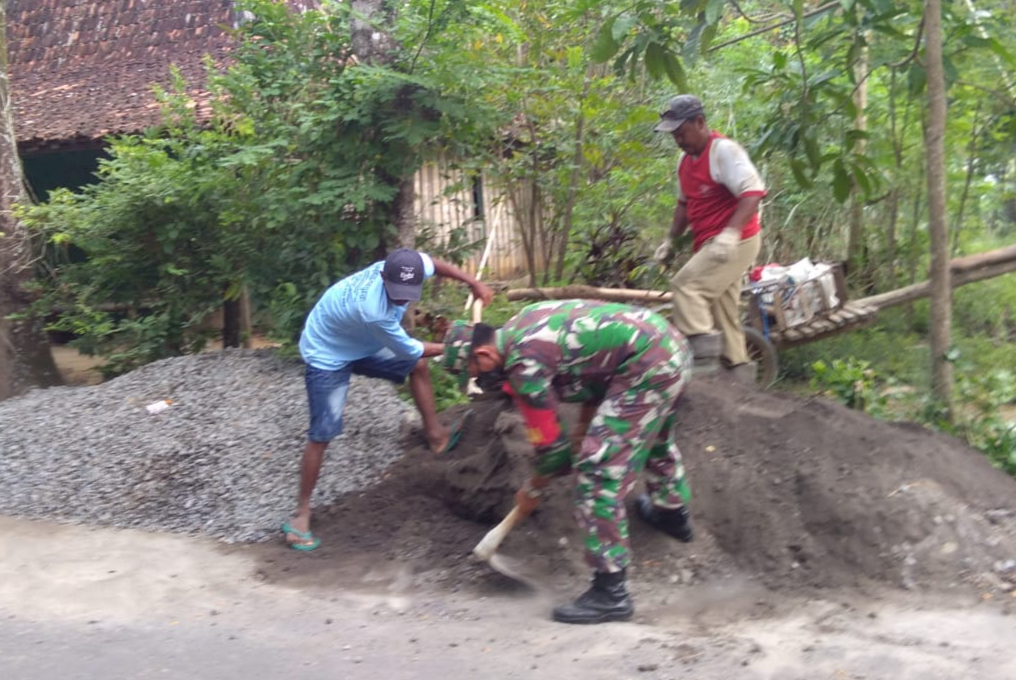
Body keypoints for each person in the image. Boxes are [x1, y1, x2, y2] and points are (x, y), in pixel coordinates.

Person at [442, 300, 694, 624]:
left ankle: (610, 594)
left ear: (484, 355)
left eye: (475, 375)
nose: (480, 383)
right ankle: (671, 513)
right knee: (653, 436)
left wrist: (532, 488)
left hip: (647, 365)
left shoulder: (523, 367)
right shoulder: (523, 323)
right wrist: (582, 428)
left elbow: (556, 457)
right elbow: (596, 373)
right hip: (669, 345)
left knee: (597, 473)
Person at [283, 248, 494, 551]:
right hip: (327, 352)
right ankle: (300, 514)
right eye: (396, 293)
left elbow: (433, 263)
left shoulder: (406, 265)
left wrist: (471, 281)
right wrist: (462, 345)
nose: (401, 299)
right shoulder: (372, 309)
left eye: (407, 293)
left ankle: (435, 436)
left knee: (417, 369)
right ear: (383, 276)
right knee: (322, 433)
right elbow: (413, 348)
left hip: (362, 341)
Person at [652, 94, 767, 382]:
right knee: (722, 310)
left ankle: (703, 367)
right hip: (709, 243)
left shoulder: (724, 151)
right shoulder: (685, 161)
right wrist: (670, 241)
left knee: (687, 286)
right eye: (674, 135)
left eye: (681, 132)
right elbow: (683, 205)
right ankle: (739, 377)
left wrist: (730, 234)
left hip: (737, 240)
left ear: (700, 122)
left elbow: (752, 192)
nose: (678, 140)